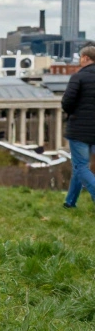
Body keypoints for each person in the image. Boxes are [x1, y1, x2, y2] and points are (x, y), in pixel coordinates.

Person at [62, 44, 95, 208]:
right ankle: (70, 202)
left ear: (85, 58)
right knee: (78, 166)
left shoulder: (78, 77)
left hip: (79, 130)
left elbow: (67, 102)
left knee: (81, 166)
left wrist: (71, 112)